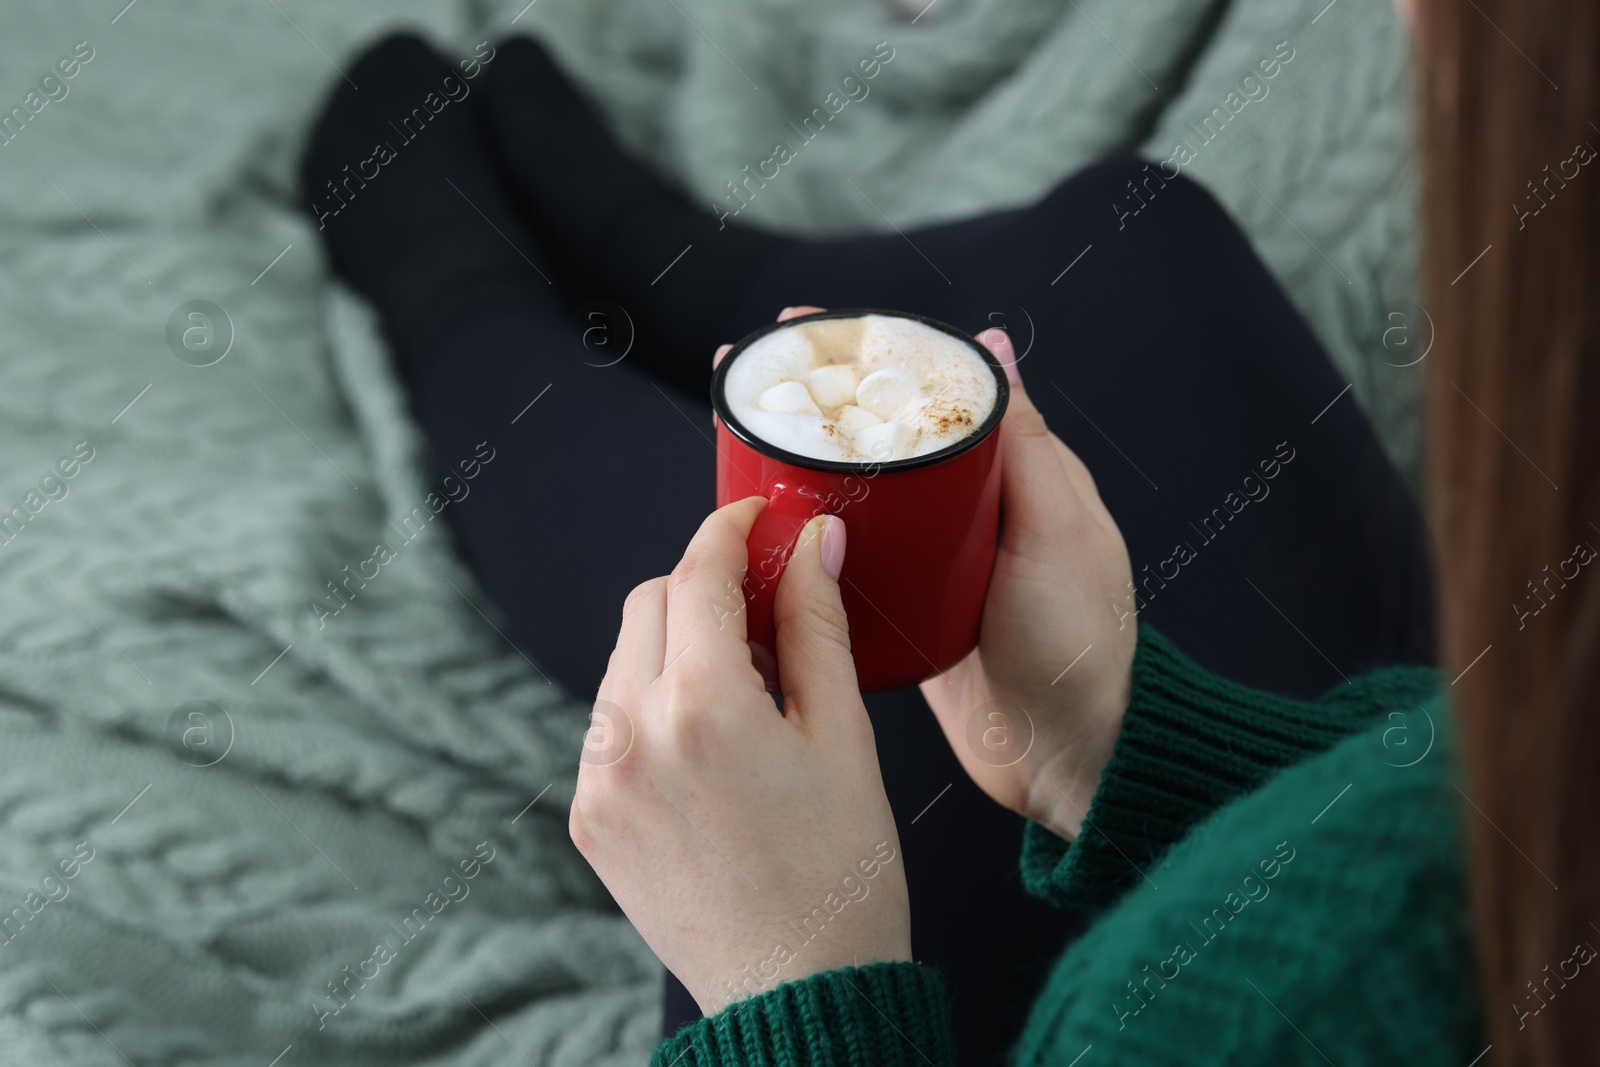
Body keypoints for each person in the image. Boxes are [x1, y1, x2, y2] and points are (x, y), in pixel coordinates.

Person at [303, 0, 1598, 1059]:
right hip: (1395, 804)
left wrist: (786, 995)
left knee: (750, 597)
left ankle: (459, 301)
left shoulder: (1208, 1021)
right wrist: (1119, 752)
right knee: (1139, 243)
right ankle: (683, 272)